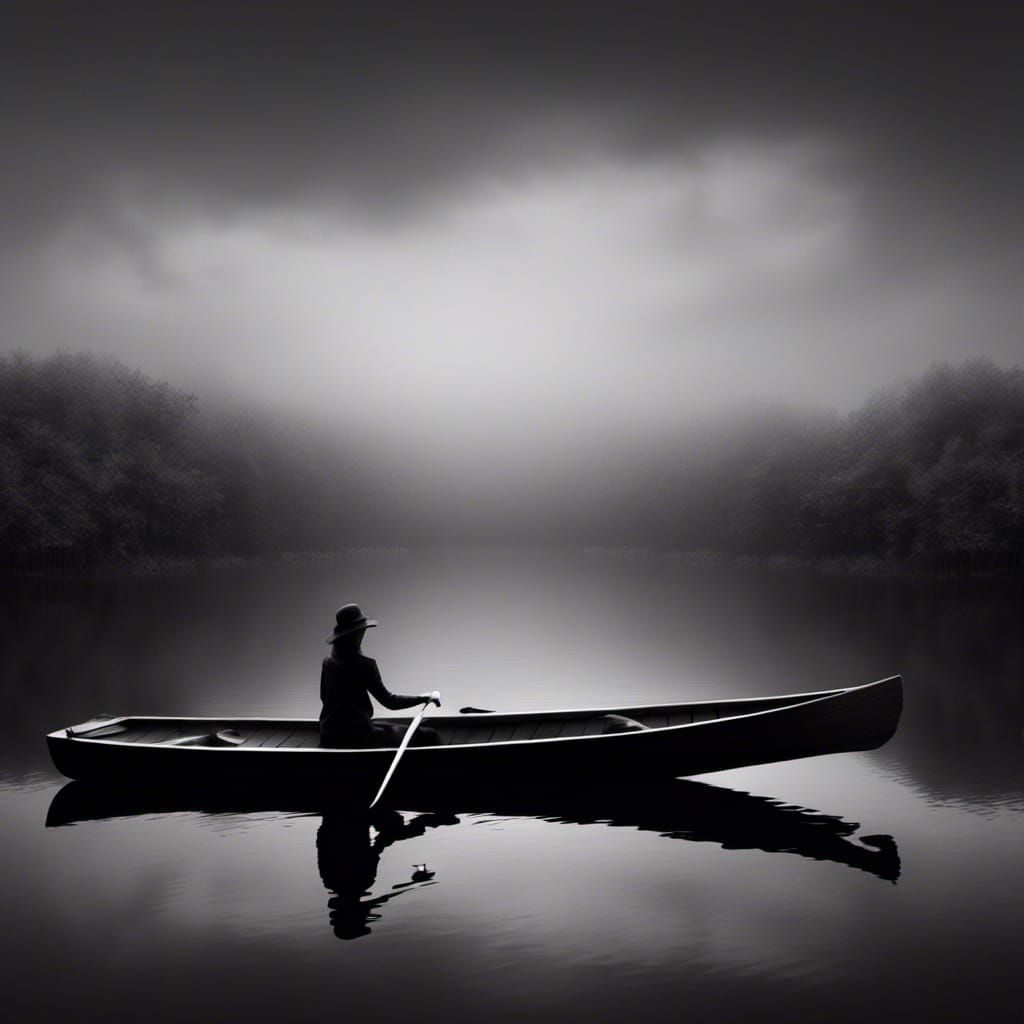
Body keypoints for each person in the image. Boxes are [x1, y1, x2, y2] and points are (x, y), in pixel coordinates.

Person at [319, 603, 441, 748]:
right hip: (357, 734)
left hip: (328, 732)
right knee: (430, 734)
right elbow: (389, 701)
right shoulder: (365, 665)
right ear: (357, 633)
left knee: (388, 726)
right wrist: (424, 698)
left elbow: (323, 697)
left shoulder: (327, 662)